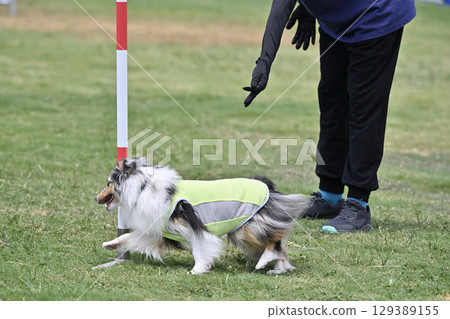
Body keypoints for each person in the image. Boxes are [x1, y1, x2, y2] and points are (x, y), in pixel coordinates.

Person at [244, 0, 416, 234]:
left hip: (377, 15)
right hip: (336, 24)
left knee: (364, 109)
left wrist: (265, 60)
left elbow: (281, 7)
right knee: (331, 101)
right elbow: (281, 6)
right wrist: (307, 8)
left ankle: (358, 203)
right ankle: (330, 195)